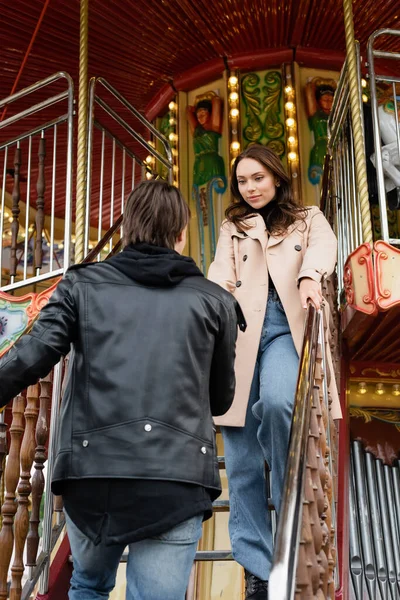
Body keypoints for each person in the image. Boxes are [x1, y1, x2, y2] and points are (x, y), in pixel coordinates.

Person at [0, 180, 245, 600]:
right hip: (175, 478)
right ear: (181, 233)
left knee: (89, 586)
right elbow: (221, 399)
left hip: (94, 472)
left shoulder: (80, 286)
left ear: (128, 227)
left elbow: (32, 354)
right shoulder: (214, 301)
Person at [208, 144, 341, 600]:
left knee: (283, 401)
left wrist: (309, 275)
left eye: (258, 178)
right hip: (241, 337)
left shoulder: (307, 218)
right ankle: (258, 569)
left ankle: (289, 536)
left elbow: (324, 248)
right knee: (242, 462)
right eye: (243, 181)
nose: (250, 188)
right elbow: (219, 275)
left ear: (277, 178)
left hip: (287, 328)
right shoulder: (234, 227)